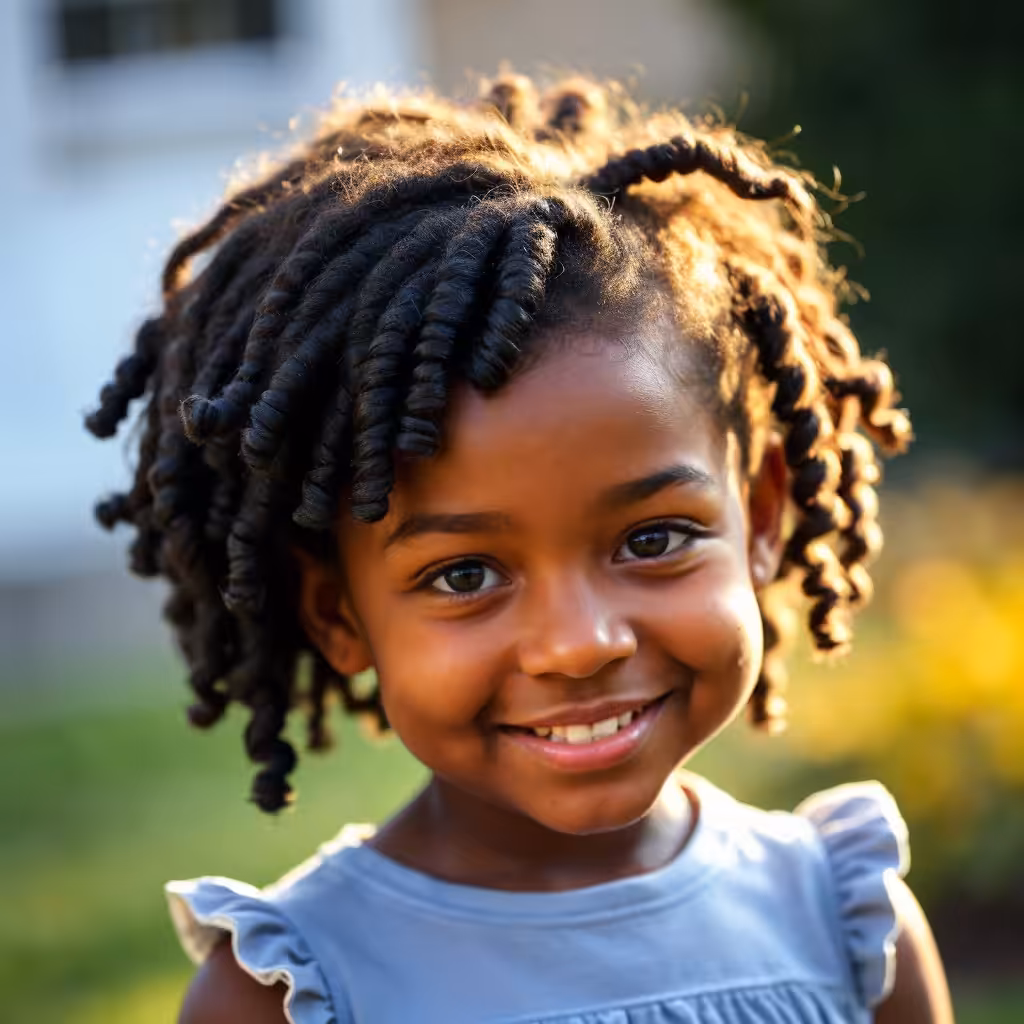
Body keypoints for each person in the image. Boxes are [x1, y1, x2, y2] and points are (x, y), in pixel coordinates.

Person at [86, 74, 954, 1023]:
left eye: (652, 539)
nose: (580, 644)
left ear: (761, 518)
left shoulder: (848, 928)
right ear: (339, 614)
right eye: (465, 574)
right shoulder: (291, 994)